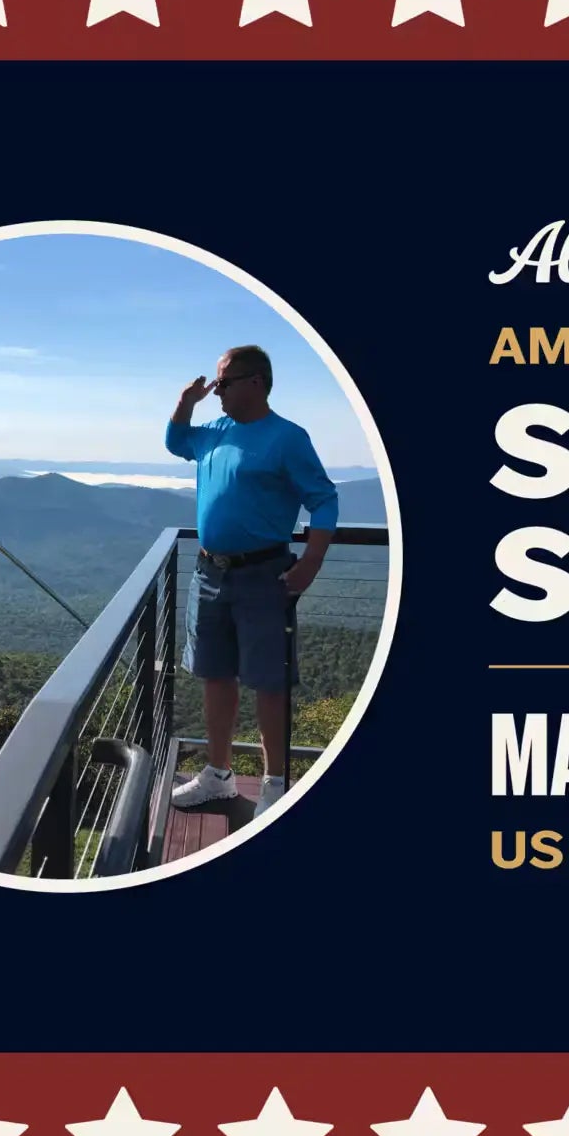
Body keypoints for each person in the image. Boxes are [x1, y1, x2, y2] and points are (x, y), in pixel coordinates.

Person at [163, 344, 338, 821]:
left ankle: (276, 786)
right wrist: (186, 402)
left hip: (265, 576)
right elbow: (176, 443)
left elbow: (324, 500)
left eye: (225, 382)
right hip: (208, 572)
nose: (217, 390)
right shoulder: (213, 431)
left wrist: (313, 559)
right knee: (215, 675)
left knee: (268, 681)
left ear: (256, 382)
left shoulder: (287, 438)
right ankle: (217, 775)